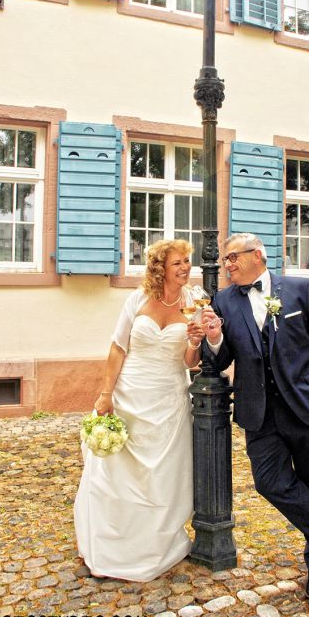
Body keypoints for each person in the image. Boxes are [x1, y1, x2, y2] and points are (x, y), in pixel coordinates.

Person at [202, 232, 309, 601]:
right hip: (258, 413)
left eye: (233, 257)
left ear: (257, 255)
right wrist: (213, 337)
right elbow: (221, 359)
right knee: (269, 482)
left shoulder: (300, 290)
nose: (227, 264)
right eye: (225, 259)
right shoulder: (224, 300)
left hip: (307, 406)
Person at [74, 239, 204, 582]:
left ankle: (154, 545)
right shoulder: (137, 300)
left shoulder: (193, 303)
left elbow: (189, 362)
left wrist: (194, 341)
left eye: (187, 261)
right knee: (118, 474)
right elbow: (118, 348)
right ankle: (110, 545)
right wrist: (106, 395)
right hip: (130, 395)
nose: (185, 268)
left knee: (162, 475)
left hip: (169, 399)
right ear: (160, 268)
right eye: (178, 263)